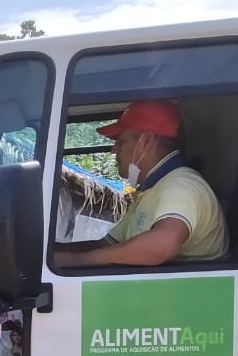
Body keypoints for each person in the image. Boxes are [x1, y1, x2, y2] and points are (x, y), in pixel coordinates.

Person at [54, 100, 228, 268]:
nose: (114, 150)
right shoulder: (150, 191)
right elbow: (105, 245)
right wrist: (49, 254)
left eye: (121, 141)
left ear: (146, 141)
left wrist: (79, 261)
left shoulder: (181, 185)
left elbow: (161, 246)